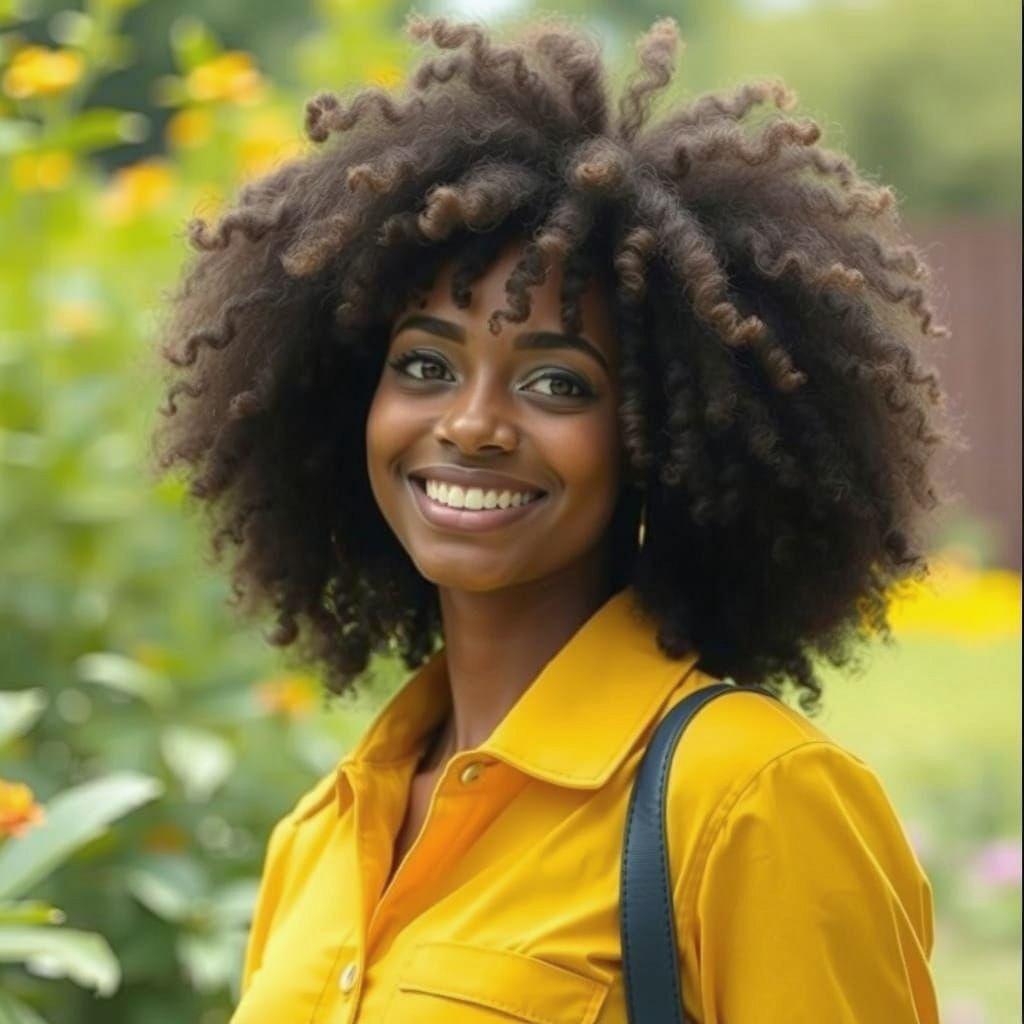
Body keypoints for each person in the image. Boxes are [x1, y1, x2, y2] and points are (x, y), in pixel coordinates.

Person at [154, 15, 948, 1023]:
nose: (471, 424)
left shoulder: (749, 797)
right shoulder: (317, 836)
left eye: (556, 382)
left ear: (659, 440)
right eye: (425, 365)